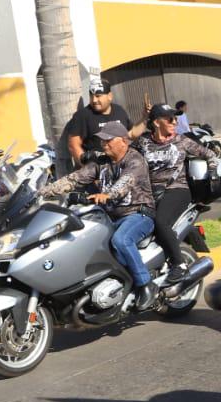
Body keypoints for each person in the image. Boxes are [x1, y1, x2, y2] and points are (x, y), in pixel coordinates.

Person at [41, 121, 158, 308]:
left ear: (123, 141)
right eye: (102, 141)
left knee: (121, 240)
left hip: (138, 214)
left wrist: (107, 195)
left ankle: (146, 284)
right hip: (110, 217)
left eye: (108, 140)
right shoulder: (101, 162)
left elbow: (125, 183)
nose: (104, 144)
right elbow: (75, 179)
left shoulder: (134, 160)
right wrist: (43, 192)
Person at [133, 103, 216, 285]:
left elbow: (210, 154)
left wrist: (212, 170)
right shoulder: (143, 142)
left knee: (160, 222)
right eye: (170, 118)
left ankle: (180, 265)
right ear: (156, 122)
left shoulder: (182, 141)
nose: (175, 121)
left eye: (175, 118)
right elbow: (125, 156)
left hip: (177, 189)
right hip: (150, 191)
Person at [65, 78, 144, 165]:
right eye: (91, 96)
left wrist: (145, 118)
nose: (94, 100)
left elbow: (131, 134)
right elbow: (73, 145)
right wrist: (87, 168)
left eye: (98, 96)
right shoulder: (82, 115)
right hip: (98, 167)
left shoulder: (119, 110)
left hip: (122, 165)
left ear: (109, 96)